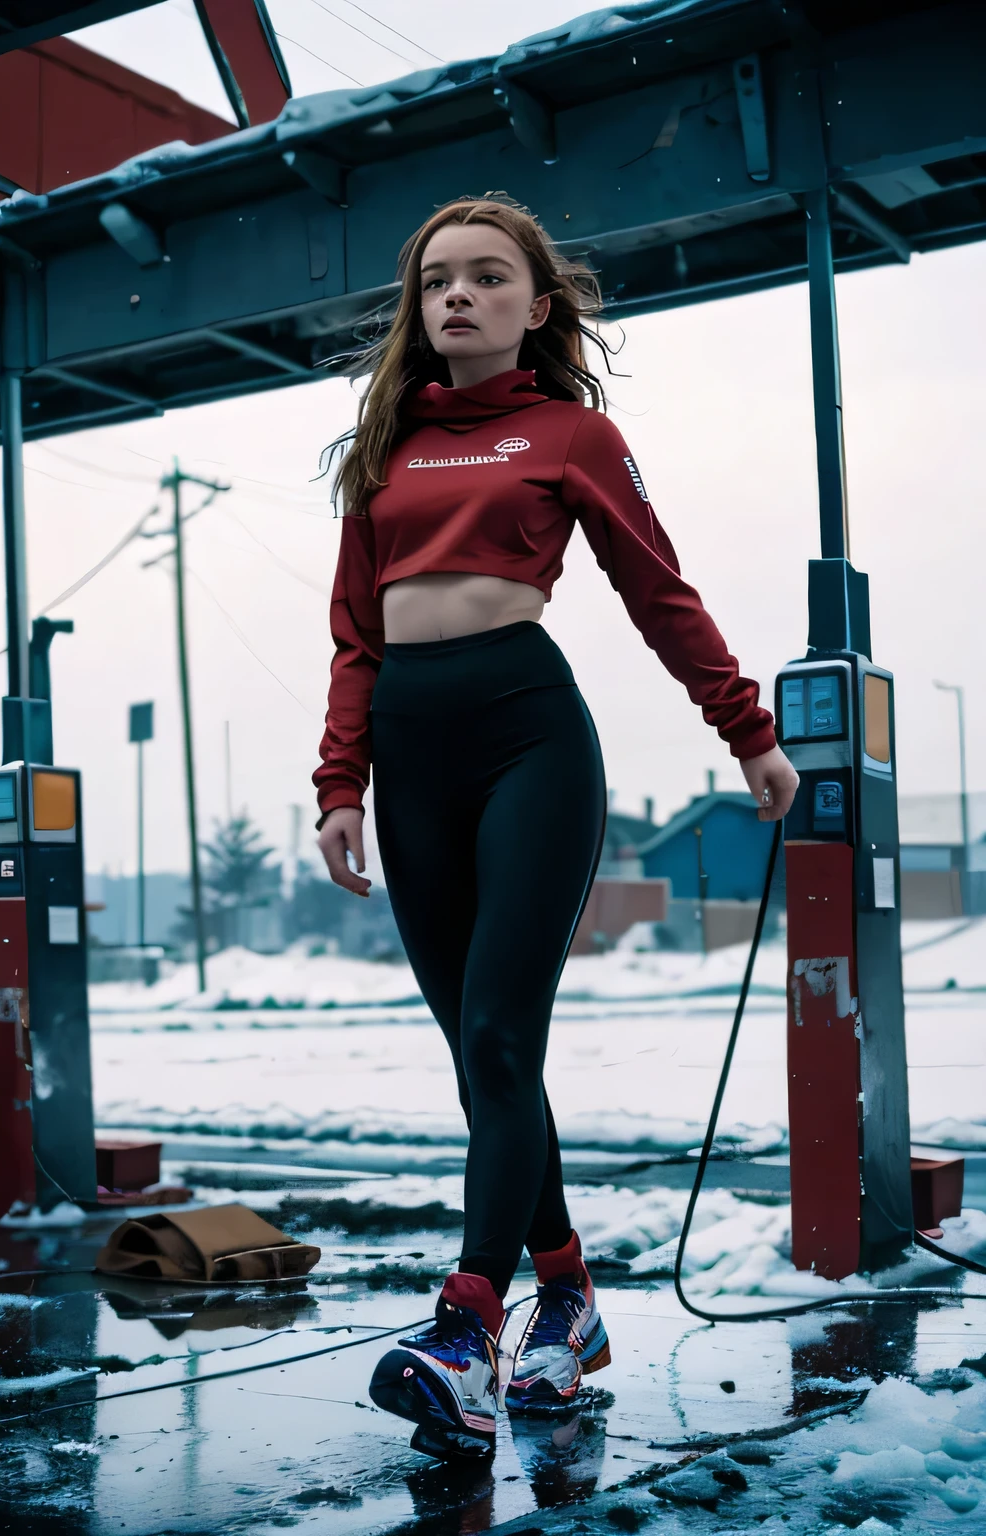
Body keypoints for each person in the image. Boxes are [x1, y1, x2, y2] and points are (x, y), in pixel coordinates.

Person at [313, 194, 799, 1459]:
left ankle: (467, 1324)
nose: (456, 297)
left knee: (492, 1027)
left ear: (536, 307)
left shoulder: (572, 433)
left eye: (485, 278)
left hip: (529, 737)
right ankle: (568, 1301)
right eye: (435, 283)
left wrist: (745, 731)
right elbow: (355, 637)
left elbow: (658, 586)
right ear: (417, 313)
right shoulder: (381, 454)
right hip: (411, 758)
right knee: (488, 1062)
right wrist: (339, 786)